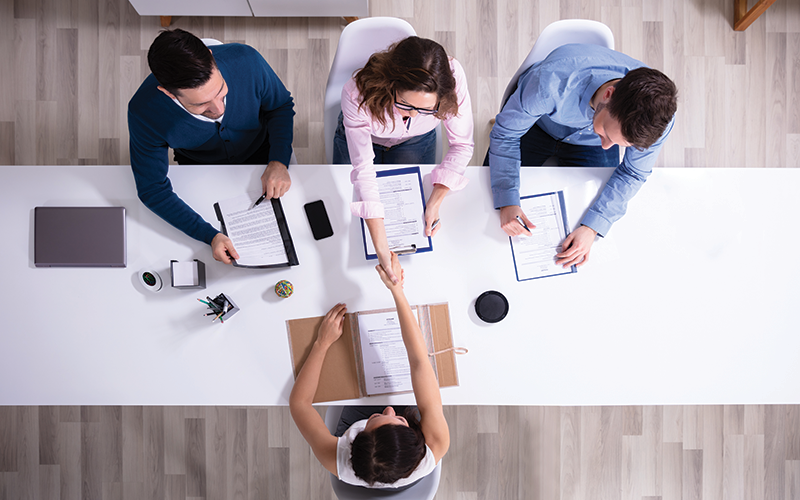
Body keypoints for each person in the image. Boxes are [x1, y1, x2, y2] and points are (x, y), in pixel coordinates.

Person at [488, 43, 677, 268]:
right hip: (538, 125)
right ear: (609, 95)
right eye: (607, 132)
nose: (607, 147)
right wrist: (508, 199)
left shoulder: (656, 120)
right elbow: (506, 135)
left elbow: (633, 173)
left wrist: (592, 228)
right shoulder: (548, 84)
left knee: (584, 216)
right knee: (489, 205)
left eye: (618, 143)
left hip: (588, 144)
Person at [128, 29, 295, 264]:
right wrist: (210, 236)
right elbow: (152, 189)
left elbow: (280, 106)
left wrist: (278, 160)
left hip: (266, 153)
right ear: (168, 93)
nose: (219, 110)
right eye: (202, 105)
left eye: (220, 91)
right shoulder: (144, 112)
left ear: (211, 57)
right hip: (199, 168)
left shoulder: (247, 61)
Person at [289, 253, 449, 490]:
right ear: (417, 440)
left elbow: (299, 404)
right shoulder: (435, 445)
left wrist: (322, 343)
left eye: (374, 418)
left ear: (352, 443)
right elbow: (419, 361)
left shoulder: (336, 459)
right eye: (399, 419)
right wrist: (397, 290)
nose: (389, 409)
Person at [333, 36, 474, 284]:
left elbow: (462, 145)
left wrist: (436, 200)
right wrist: (382, 250)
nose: (412, 115)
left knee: (416, 201)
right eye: (405, 104)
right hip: (365, 136)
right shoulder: (356, 93)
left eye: (427, 109)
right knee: (346, 213)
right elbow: (364, 170)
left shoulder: (453, 77)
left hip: (416, 141)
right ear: (391, 83)